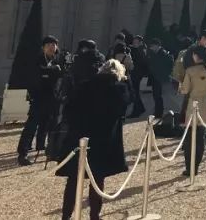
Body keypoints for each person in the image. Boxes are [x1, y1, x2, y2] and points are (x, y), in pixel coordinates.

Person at [57, 55, 128, 220]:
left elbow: (69, 109)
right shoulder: (118, 89)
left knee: (73, 180)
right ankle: (94, 215)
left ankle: (66, 215)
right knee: (97, 180)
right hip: (102, 140)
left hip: (80, 137)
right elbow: (123, 108)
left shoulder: (85, 85)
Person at [17, 35, 62, 166]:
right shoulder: (37, 60)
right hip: (38, 98)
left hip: (53, 98)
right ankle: (23, 153)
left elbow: (61, 76)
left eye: (54, 45)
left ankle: (47, 149)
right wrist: (52, 71)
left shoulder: (57, 60)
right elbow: (37, 74)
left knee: (50, 125)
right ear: (43, 48)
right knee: (31, 126)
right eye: (49, 45)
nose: (52, 48)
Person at [179, 45, 206, 176]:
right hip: (204, 104)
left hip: (192, 104)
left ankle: (189, 167)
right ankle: (196, 166)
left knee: (189, 138)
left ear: (196, 56)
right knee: (200, 138)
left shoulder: (190, 70)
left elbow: (185, 90)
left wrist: (180, 86)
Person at [145, 37, 173, 118]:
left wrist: (164, 74)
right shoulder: (153, 53)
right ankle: (158, 111)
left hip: (160, 78)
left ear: (157, 45)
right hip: (155, 78)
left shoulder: (164, 53)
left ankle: (160, 112)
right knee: (156, 96)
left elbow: (169, 65)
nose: (151, 48)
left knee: (159, 96)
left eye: (152, 46)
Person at [128, 35, 149, 118]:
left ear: (140, 43)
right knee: (135, 92)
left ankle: (136, 111)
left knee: (135, 93)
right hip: (136, 73)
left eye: (136, 42)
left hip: (137, 74)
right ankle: (141, 108)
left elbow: (141, 62)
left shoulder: (141, 50)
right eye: (134, 42)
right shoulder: (139, 49)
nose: (134, 43)